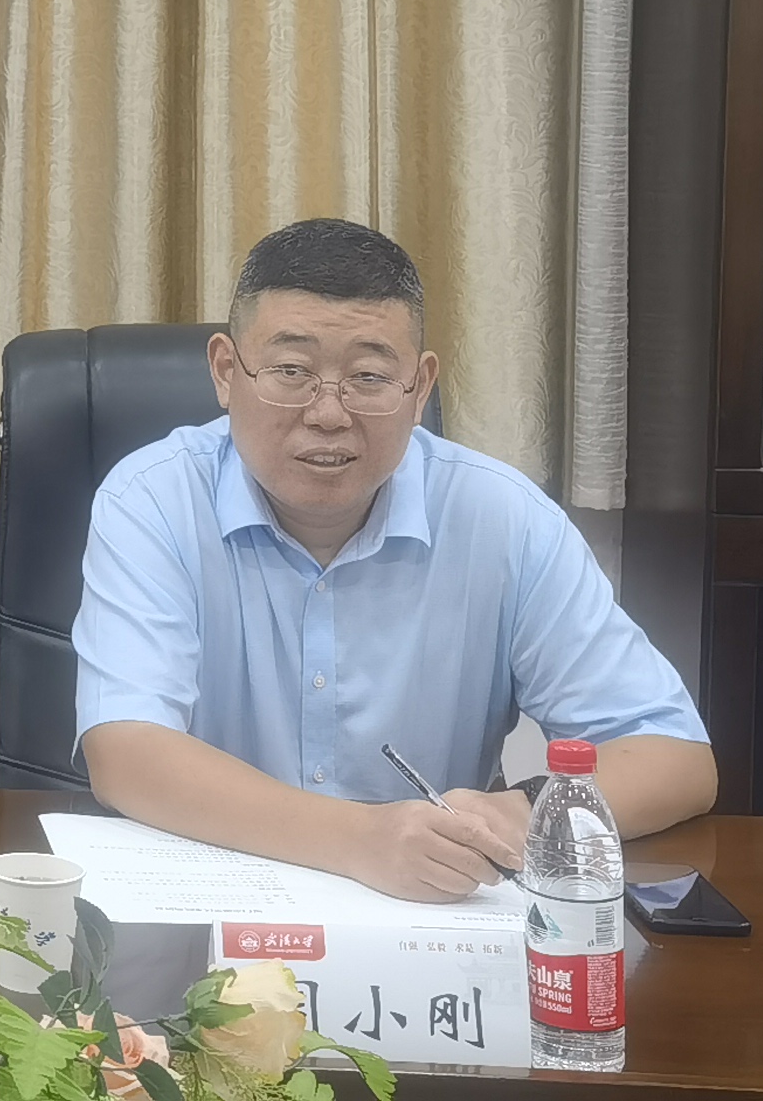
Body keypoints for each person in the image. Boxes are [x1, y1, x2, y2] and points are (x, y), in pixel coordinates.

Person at [72, 219, 715, 901]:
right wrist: (360, 839)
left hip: (431, 911)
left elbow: (674, 758)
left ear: (420, 386)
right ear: (227, 372)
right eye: (291, 372)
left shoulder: (503, 518)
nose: (328, 414)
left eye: (369, 377)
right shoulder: (154, 500)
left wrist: (512, 814)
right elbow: (126, 753)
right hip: (211, 906)